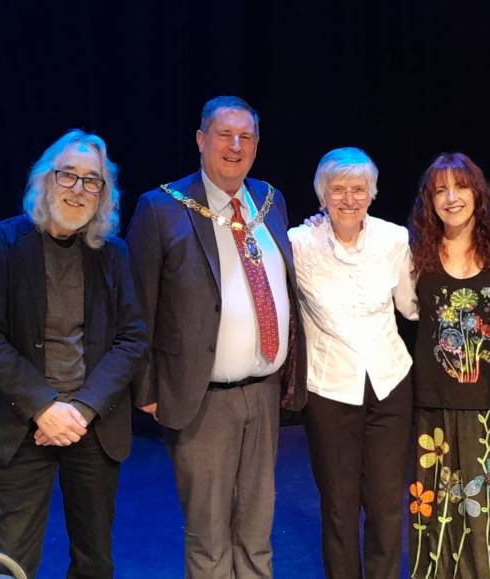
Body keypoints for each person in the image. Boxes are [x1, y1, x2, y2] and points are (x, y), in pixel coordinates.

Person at [126, 95, 307, 579]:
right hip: (200, 399)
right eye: (225, 134)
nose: (235, 146)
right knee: (208, 536)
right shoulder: (161, 208)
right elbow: (138, 305)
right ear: (201, 140)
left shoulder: (270, 200)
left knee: (257, 529)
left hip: (264, 394)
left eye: (246, 137)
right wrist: (147, 389)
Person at [0, 130, 148, 578]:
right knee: (9, 559)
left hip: (91, 423)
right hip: (20, 421)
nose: (78, 189)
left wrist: (80, 410)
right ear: (45, 179)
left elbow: (132, 338)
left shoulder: (114, 254)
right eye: (68, 175)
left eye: (92, 180)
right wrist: (44, 407)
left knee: (95, 560)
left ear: (103, 194)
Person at [288, 147, 415, 579]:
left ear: (372, 193)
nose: (348, 199)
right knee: (339, 506)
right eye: (337, 189)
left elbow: (411, 306)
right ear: (322, 195)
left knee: (385, 503)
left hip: (389, 384)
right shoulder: (298, 243)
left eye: (358, 189)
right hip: (329, 390)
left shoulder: (394, 239)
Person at [407, 153, 490, 578]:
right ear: (429, 201)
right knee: (440, 517)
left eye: (460, 187)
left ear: (477, 193)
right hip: (435, 405)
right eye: (439, 190)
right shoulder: (415, 251)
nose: (451, 198)